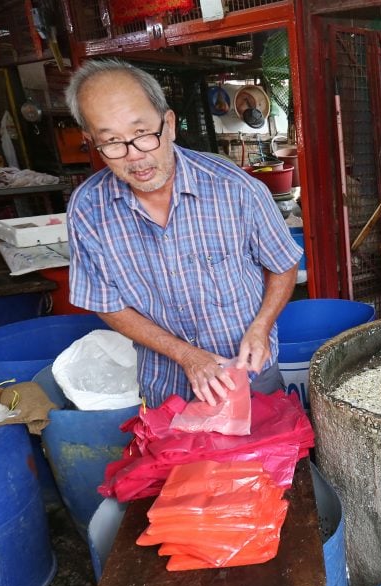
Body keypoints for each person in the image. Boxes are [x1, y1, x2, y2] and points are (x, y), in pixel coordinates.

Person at [64, 59, 302, 407]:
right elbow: (107, 304)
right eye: (112, 142)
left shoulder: (234, 187)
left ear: (170, 124)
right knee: (179, 462)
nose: (135, 157)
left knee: (269, 459)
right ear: (92, 143)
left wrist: (262, 326)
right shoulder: (88, 209)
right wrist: (187, 355)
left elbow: (283, 263)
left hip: (251, 375)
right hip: (166, 388)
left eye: (143, 134)